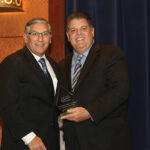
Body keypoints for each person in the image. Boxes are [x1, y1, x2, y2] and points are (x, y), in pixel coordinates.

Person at [59, 11, 133, 150]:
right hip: (74, 141)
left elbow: (120, 91)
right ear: (68, 36)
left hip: (107, 140)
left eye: (83, 28)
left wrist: (89, 112)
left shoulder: (112, 54)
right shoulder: (61, 65)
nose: (78, 33)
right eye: (73, 30)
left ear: (92, 32)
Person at [0, 18, 60, 150]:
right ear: (25, 38)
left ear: (50, 39)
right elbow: (6, 105)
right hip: (24, 143)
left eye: (45, 34)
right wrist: (29, 137)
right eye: (35, 34)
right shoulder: (12, 63)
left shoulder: (53, 64)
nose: (40, 38)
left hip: (50, 141)